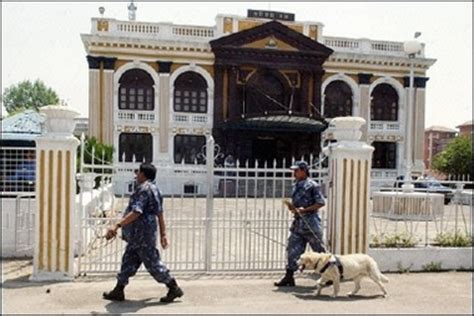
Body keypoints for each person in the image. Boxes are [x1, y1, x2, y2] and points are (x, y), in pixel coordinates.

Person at [103, 163, 183, 303]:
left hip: (141, 234)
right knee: (128, 260)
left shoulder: (143, 189)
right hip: (140, 234)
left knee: (152, 263)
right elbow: (160, 213)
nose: (136, 175)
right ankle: (119, 289)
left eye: (138, 172)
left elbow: (136, 212)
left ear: (143, 174)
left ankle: (173, 287)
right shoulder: (155, 189)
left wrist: (117, 225)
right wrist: (163, 234)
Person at [274, 160, 327, 287]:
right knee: (292, 249)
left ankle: (328, 275)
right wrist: (293, 208)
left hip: (310, 224)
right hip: (298, 224)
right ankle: (289, 276)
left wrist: (305, 209)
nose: (294, 173)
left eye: (297, 171)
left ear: (304, 171)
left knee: (320, 252)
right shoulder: (296, 185)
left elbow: (320, 202)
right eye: (294, 171)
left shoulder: (312, 185)